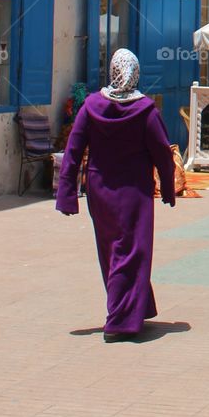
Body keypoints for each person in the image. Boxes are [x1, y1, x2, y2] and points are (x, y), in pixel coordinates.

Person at [56, 49, 176, 342]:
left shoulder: (91, 106)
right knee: (133, 252)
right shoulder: (146, 111)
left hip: (100, 192)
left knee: (113, 251)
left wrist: (67, 194)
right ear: (135, 73)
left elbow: (73, 151)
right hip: (134, 192)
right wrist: (169, 187)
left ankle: (137, 307)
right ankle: (120, 322)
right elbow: (162, 152)